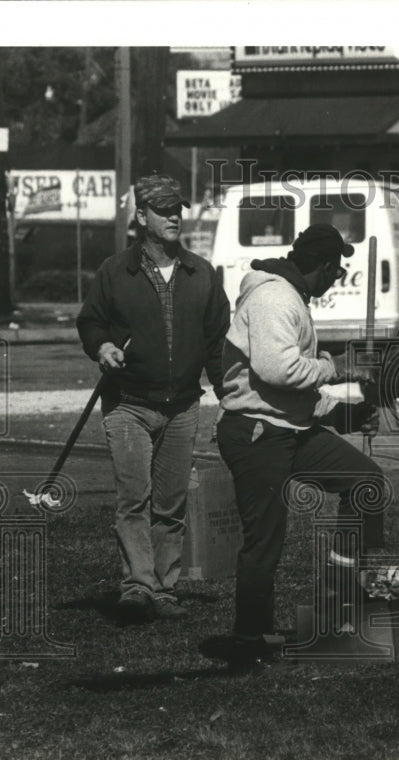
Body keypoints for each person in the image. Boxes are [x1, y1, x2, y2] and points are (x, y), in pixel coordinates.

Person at [211, 223, 399, 670]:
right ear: (319, 266)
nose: (334, 281)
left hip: (288, 428)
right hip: (256, 433)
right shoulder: (274, 298)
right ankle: (248, 639)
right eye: (335, 274)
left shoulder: (292, 297)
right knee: (265, 542)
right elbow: (279, 371)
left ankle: (343, 579)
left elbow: (291, 394)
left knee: (365, 481)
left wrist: (342, 413)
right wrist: (335, 367)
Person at [76, 173, 230, 623]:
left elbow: (217, 344)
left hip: (182, 405)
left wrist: (228, 398)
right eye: (162, 210)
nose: (173, 217)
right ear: (141, 217)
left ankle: (164, 588)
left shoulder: (201, 273)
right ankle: (137, 586)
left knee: (171, 503)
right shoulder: (113, 271)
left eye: (177, 208)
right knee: (134, 498)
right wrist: (101, 347)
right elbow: (91, 322)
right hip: (128, 404)